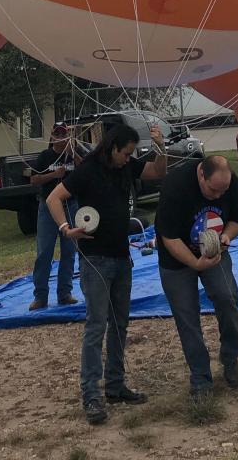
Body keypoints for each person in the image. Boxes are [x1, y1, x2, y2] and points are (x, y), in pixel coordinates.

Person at [46, 121, 167, 426]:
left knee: (120, 324)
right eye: (126, 153)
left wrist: (160, 148)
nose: (129, 158)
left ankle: (115, 386)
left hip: (122, 257)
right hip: (95, 261)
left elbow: (157, 172)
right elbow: (53, 198)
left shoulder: (126, 166)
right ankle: (91, 394)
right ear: (113, 148)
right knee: (96, 325)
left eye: (131, 154)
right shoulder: (87, 170)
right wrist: (65, 228)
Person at [155, 154, 238, 400]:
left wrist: (227, 236)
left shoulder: (230, 184)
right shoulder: (176, 186)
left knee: (227, 298)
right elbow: (169, 238)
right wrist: (195, 263)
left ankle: (230, 359)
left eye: (222, 191)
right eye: (213, 190)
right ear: (201, 175)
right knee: (187, 316)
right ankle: (201, 379)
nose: (218, 196)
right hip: (177, 259)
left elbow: (237, 219)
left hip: (215, 252)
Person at [27, 123, 90, 310]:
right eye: (58, 134)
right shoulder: (45, 156)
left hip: (70, 205)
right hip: (48, 207)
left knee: (69, 252)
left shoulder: (75, 152)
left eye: (65, 134)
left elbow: (87, 171)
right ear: (53, 137)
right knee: (44, 251)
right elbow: (33, 179)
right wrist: (54, 174)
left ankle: (65, 293)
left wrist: (74, 154)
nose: (61, 138)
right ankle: (40, 296)